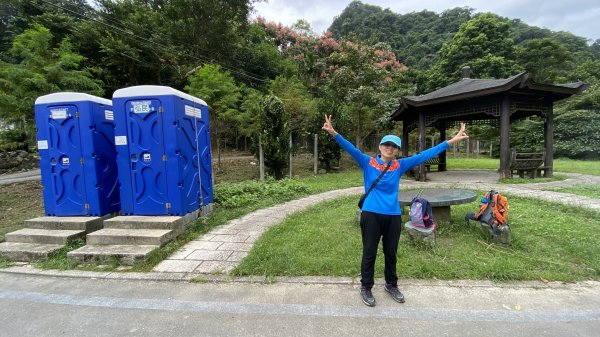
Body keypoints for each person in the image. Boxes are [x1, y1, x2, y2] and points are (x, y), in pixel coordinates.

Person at [322, 114, 469, 307]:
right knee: (369, 252)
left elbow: (424, 155)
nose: (389, 148)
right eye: (386, 144)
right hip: (371, 214)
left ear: (397, 151)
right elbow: (350, 148)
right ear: (380, 147)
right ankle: (366, 287)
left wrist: (450, 142)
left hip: (393, 215)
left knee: (391, 253)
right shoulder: (368, 162)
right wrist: (334, 133)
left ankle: (391, 285)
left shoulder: (400, 165)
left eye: (393, 146)